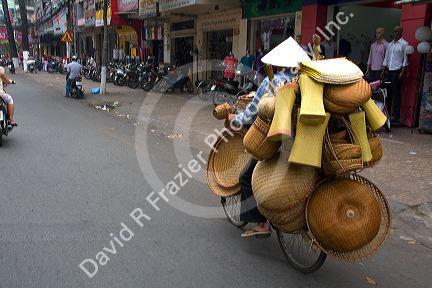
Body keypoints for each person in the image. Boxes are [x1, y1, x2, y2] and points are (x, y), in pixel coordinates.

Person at [229, 67, 295, 238]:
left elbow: (251, 113)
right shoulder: (304, 80)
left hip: (275, 143)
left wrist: (235, 120)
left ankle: (261, 222)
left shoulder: (271, 81)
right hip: (300, 144)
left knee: (245, 176)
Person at [382, 26, 409, 124]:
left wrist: (402, 72)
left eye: (396, 32)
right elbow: (386, 58)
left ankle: (396, 115)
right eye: (393, 32)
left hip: (397, 70)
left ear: (401, 32)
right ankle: (387, 112)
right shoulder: (390, 44)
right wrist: (383, 70)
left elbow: (405, 60)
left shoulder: (404, 44)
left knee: (396, 93)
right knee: (388, 93)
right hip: (389, 70)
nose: (394, 33)